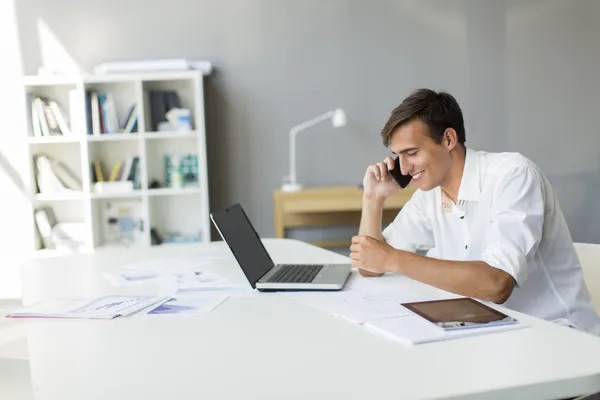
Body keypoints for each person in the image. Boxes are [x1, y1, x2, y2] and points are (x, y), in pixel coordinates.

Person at [351, 88, 600, 336]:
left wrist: (392, 258)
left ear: (448, 139)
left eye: (412, 153)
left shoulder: (513, 175)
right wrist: (373, 198)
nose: (404, 169)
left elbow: (496, 284)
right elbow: (371, 266)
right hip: (487, 330)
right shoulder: (428, 197)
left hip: (557, 334)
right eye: (398, 156)